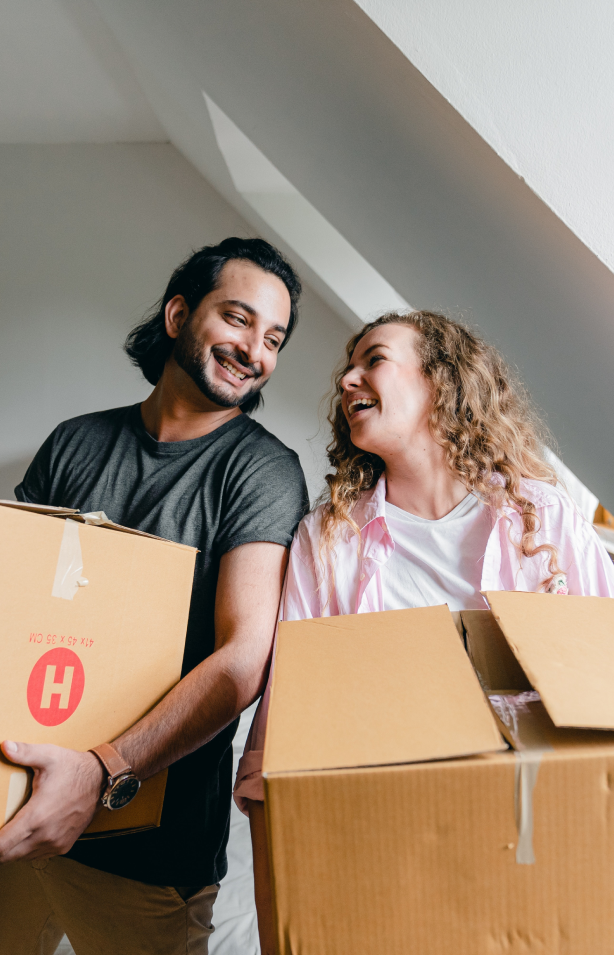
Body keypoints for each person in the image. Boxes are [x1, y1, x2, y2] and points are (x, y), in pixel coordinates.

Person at [234, 309, 614, 955]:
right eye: (348, 365)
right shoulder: (328, 541)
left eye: (373, 358)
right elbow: (282, 748)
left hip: (541, 837)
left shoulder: (544, 516)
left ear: (442, 379)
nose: (348, 376)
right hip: (391, 843)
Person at [0, 237, 309, 955]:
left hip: (148, 855)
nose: (254, 350)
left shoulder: (261, 471)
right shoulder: (74, 442)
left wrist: (102, 769)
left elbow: (242, 660)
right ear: (178, 314)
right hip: (16, 806)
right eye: (237, 319)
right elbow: (15, 612)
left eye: (273, 338)